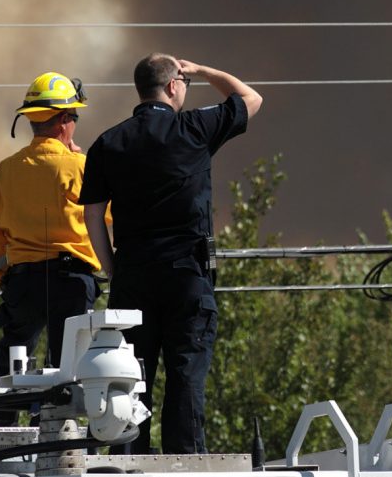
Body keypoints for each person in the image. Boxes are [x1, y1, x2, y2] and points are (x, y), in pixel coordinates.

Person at [80, 54, 262, 454]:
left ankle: (125, 475)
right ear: (174, 86)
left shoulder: (108, 143)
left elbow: (92, 215)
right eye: (184, 82)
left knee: (129, 379)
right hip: (186, 276)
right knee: (185, 377)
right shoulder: (194, 127)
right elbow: (251, 98)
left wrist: (113, 270)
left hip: (133, 276)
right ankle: (185, 468)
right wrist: (203, 70)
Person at [0, 72, 103, 426]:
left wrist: (6, 278)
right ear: (64, 121)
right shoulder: (82, 168)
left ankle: (3, 431)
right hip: (73, 279)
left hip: (22, 281)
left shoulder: (2, 174)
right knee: (66, 368)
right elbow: (110, 216)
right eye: (74, 118)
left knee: (12, 363)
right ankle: (53, 433)